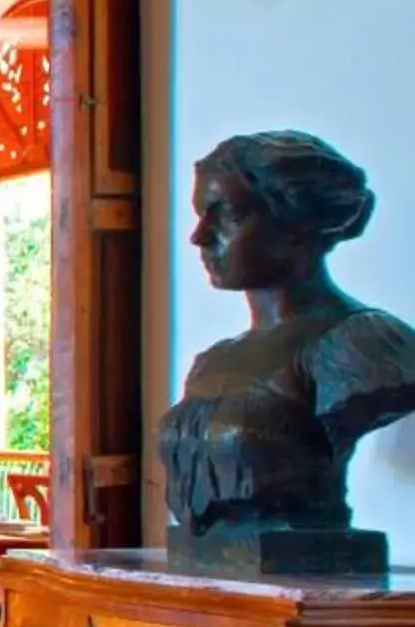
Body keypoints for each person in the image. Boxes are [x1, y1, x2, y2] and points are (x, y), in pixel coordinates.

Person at [157, 131, 415, 542]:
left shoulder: (361, 343)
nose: (199, 236)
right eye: (200, 215)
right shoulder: (213, 360)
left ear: (295, 226)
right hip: (212, 578)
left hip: (302, 579)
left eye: (227, 215)